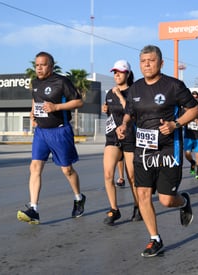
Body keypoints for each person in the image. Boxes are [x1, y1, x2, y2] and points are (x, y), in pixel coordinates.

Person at [116, 45, 198, 257]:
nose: (146, 64)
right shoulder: (135, 89)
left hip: (169, 149)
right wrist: (124, 125)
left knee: (166, 200)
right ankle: (155, 239)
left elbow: (194, 109)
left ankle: (184, 201)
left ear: (161, 63)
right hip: (143, 149)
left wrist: (175, 124)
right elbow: (129, 113)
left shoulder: (173, 86)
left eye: (151, 61)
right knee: (142, 193)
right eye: (143, 61)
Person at [17, 51, 86, 224]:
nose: (39, 68)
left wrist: (57, 107)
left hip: (59, 131)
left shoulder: (61, 81)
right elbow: (36, 99)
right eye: (37, 65)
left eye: (43, 65)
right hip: (41, 132)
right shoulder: (34, 83)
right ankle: (34, 209)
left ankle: (78, 197)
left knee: (67, 170)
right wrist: (32, 112)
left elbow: (78, 102)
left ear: (51, 66)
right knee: (34, 167)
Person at [101, 59, 141, 225]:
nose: (116, 75)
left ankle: (138, 206)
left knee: (132, 176)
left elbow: (130, 112)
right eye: (114, 72)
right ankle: (114, 209)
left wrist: (119, 95)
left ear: (128, 74)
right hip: (112, 137)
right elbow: (112, 113)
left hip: (131, 137)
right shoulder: (109, 93)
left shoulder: (134, 92)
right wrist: (106, 110)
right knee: (108, 174)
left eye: (120, 72)